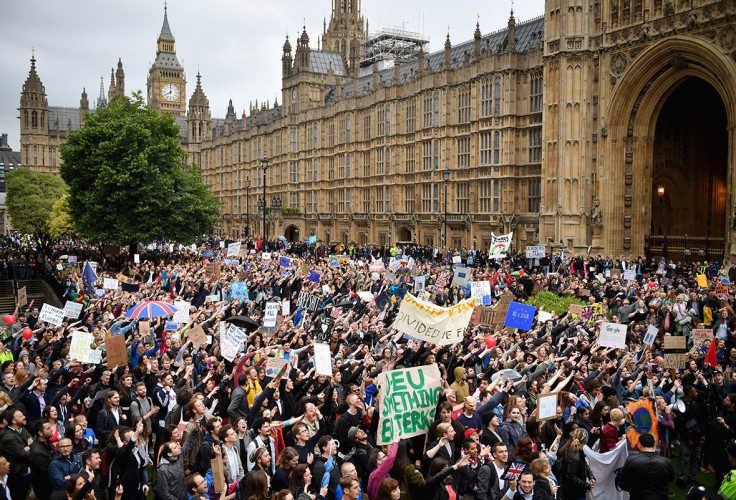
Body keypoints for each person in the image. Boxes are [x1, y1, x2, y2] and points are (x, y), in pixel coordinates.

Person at [618, 432, 674, 500]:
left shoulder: (632, 461)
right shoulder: (666, 462)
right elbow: (671, 478)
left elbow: (623, 481)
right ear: (655, 444)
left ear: (639, 445)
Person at [157, 424, 201, 500]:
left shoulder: (179, 456)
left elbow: (188, 444)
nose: (178, 447)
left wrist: (196, 429)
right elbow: (164, 493)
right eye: (175, 447)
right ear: (169, 454)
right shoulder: (163, 470)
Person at [0, 407, 32, 500]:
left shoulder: (22, 429)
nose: (24, 417)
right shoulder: (8, 437)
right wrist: (28, 448)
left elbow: (33, 443)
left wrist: (27, 448)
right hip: (17, 475)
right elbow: (24, 454)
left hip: (26, 470)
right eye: (21, 416)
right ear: (14, 421)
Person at [561, 429, 595, 500]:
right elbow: (571, 477)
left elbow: (584, 462)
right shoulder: (575, 457)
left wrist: (590, 476)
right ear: (586, 440)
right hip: (574, 493)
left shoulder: (576, 448)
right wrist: (586, 485)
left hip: (577, 490)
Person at [30, 418, 55, 500]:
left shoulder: (48, 442)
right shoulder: (37, 452)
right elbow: (48, 472)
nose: (51, 430)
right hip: (45, 490)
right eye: (48, 428)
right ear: (40, 433)